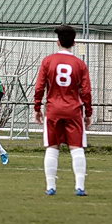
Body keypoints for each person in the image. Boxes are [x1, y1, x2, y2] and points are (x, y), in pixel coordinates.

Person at [34, 25, 92, 196]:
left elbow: (39, 87)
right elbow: (86, 91)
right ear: (74, 43)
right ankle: (79, 187)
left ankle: (51, 187)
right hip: (73, 110)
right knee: (77, 148)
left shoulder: (48, 61)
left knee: (52, 148)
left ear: (58, 42)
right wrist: (88, 113)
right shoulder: (80, 64)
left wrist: (37, 107)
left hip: (53, 110)